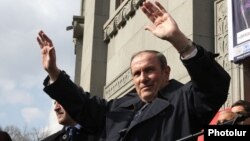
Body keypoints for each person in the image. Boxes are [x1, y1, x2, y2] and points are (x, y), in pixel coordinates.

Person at [36, 1, 230, 141]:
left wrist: (178, 40)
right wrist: (54, 72)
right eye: (136, 74)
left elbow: (214, 85)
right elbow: (83, 105)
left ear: (166, 72)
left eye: (149, 70)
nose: (143, 78)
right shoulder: (116, 108)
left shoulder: (184, 100)